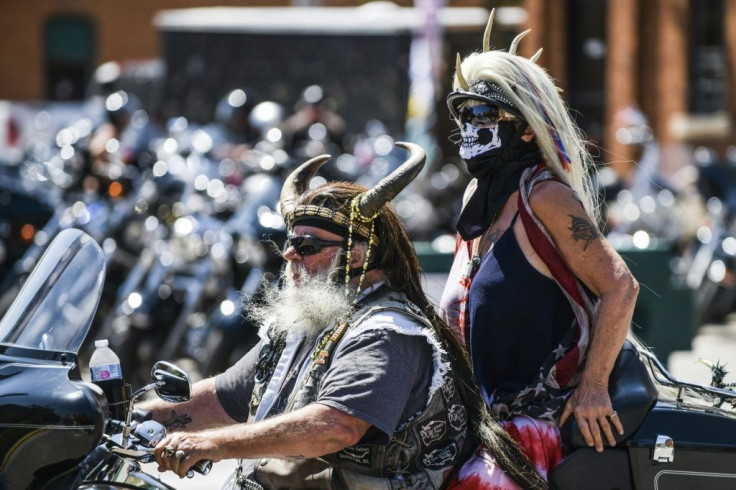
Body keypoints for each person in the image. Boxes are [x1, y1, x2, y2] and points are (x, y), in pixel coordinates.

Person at [144, 142, 546, 489]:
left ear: (355, 254)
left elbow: (335, 426)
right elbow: (220, 398)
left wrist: (216, 443)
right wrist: (127, 416)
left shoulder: (386, 331)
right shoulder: (305, 328)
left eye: (306, 245)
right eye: (289, 242)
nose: (289, 255)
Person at [439, 10, 640, 486]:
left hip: (533, 433)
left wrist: (593, 386)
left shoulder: (545, 196)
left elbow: (621, 287)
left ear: (527, 129)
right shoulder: (477, 200)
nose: (471, 124)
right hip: (472, 428)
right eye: (465, 113)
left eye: (486, 113)